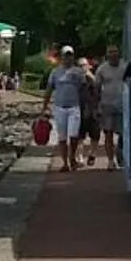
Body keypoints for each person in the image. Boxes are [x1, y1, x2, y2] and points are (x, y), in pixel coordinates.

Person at [46, 44, 85, 172]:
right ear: (61, 57)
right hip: (60, 107)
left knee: (74, 135)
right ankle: (65, 163)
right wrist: (44, 106)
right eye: (65, 56)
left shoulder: (78, 72)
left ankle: (72, 157)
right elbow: (49, 89)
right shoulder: (55, 72)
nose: (68, 58)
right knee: (62, 137)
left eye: (70, 56)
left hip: (74, 107)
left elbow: (83, 87)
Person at [93, 41, 126, 171]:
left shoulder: (125, 66)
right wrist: (96, 106)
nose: (113, 54)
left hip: (123, 105)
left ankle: (121, 153)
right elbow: (96, 88)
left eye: (115, 52)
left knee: (124, 133)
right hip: (107, 105)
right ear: (107, 55)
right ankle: (110, 161)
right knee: (108, 134)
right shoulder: (102, 69)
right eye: (110, 52)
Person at [76, 57, 103, 166]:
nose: (82, 68)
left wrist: (90, 77)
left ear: (88, 66)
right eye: (80, 66)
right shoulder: (76, 79)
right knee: (80, 137)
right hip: (80, 110)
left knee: (95, 136)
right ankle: (80, 158)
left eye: (84, 65)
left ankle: (92, 154)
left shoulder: (93, 77)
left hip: (93, 110)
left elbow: (99, 90)